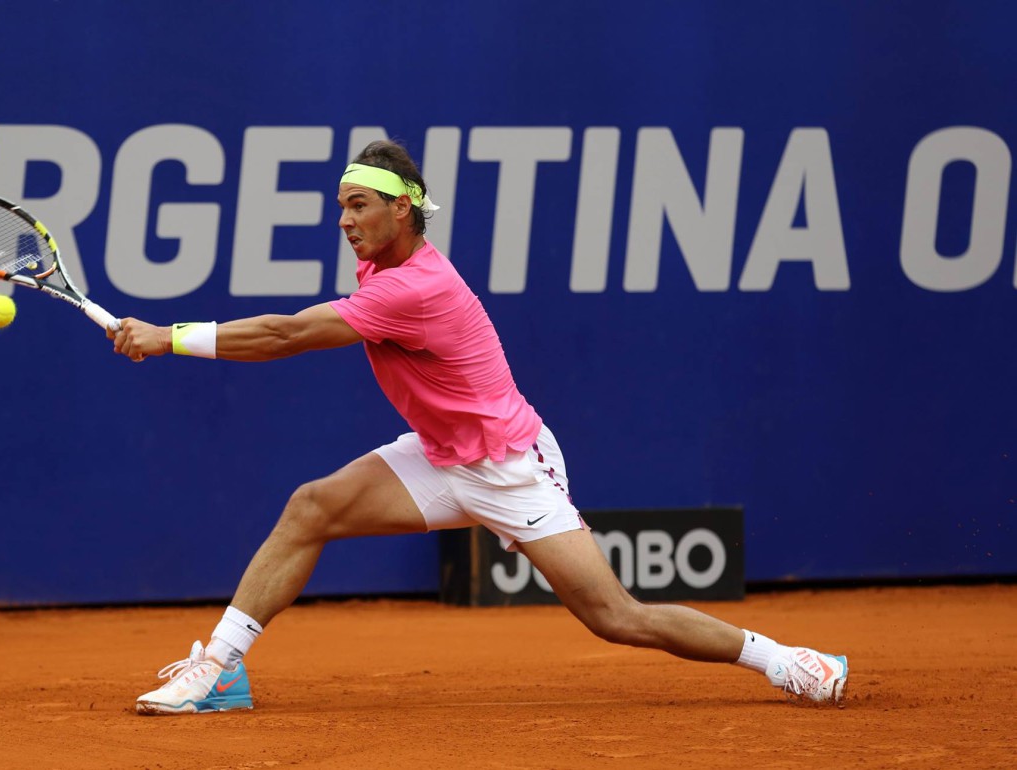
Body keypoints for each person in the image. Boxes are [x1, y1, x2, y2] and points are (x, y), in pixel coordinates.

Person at [109, 139, 849, 715]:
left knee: (616, 617)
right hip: (442, 457)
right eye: (341, 207)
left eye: (360, 206)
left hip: (508, 466)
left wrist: (165, 336)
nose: (344, 220)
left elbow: (283, 334)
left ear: (403, 210)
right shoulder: (382, 269)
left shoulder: (415, 286)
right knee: (312, 506)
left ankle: (787, 661)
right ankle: (222, 668)